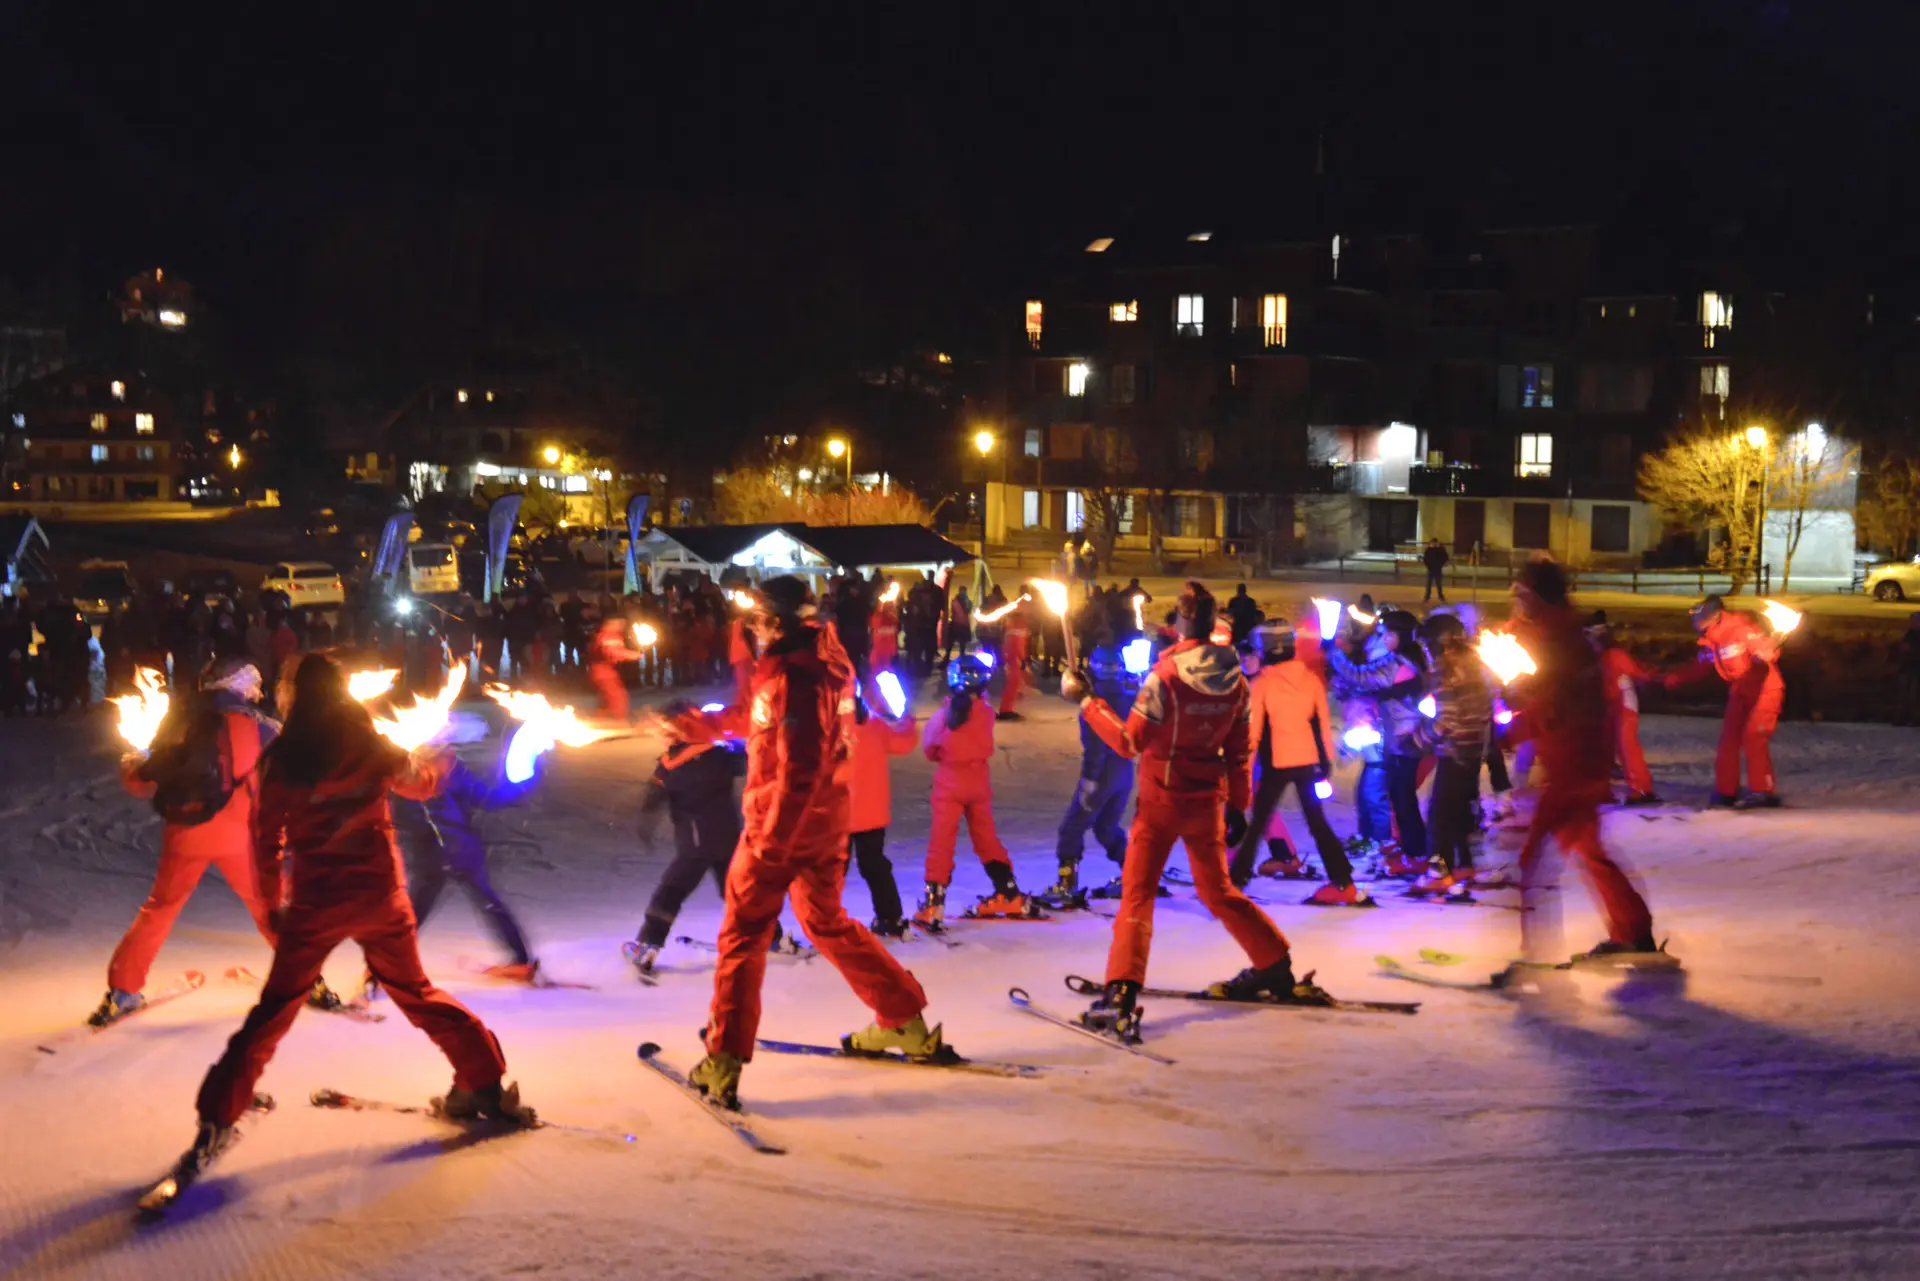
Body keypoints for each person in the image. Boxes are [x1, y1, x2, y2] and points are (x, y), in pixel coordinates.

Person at [181, 654, 528, 1178]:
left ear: (296, 697)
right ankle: (483, 1082)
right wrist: (436, 766)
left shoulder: (283, 759)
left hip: (318, 902)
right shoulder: (367, 743)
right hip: (378, 897)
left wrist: (272, 905)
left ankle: (219, 1114)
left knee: (274, 1010)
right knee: (416, 992)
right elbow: (420, 784)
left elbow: (266, 840)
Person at [688, 578, 943, 1109]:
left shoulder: (795, 676)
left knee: (743, 935)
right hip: (826, 825)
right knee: (824, 922)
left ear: (776, 622)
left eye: (758, 621)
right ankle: (904, 1017)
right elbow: (761, 723)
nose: (754, 631)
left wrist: (771, 845)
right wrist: (697, 725)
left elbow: (799, 769)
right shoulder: (820, 661)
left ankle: (724, 1058)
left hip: (782, 826)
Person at [1073, 582, 1297, 1039]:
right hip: (1205, 800)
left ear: (1181, 623)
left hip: (1161, 800)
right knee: (1217, 891)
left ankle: (1122, 989)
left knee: (1138, 893)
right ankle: (1274, 961)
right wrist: (1238, 805)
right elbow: (1239, 752)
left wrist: (1088, 703)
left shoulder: (1166, 678)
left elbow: (1129, 741)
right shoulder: (1235, 680)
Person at [92, 658, 285, 1026]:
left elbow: (142, 783)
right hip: (238, 835)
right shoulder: (257, 726)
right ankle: (306, 977)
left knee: (160, 909)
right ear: (242, 685)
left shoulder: (178, 721)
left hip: (184, 833)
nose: (258, 690)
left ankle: (122, 992)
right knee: (268, 904)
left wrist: (132, 764)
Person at [1508, 560, 1657, 962]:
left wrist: (1516, 708)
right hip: (1577, 763)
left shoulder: (1560, 641)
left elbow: (1555, 705)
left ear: (1539, 596)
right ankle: (1634, 931)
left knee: (1531, 859)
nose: (1515, 600)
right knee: (1590, 851)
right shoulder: (1558, 635)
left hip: (1573, 766)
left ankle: (1536, 954)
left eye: (1521, 593)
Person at [1231, 618, 1369, 905]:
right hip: (1309, 760)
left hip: (1276, 762)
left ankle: (1235, 882)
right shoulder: (1310, 679)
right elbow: (1321, 723)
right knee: (1317, 822)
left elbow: (1253, 733)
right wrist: (1325, 762)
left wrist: (1243, 765)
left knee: (1258, 824)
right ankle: (1343, 882)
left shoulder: (1262, 684)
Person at [391, 729, 542, 986]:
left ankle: (521, 962)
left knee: (481, 905)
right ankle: (387, 964)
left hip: (457, 854)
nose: (450, 762)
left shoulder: (452, 777)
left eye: (450, 757)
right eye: (445, 757)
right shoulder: (411, 782)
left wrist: (521, 781)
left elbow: (488, 798)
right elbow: (397, 816)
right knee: (421, 910)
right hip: (440, 858)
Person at [625, 699, 748, 975]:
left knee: (672, 891)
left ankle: (648, 945)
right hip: (729, 837)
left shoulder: (671, 763)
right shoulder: (721, 755)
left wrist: (645, 824)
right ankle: (770, 938)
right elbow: (745, 761)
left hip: (696, 843)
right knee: (738, 891)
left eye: (666, 727)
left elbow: (653, 797)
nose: (662, 733)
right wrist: (735, 744)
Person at [915, 653, 1037, 926]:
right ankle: (1008, 890)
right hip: (978, 781)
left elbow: (930, 748)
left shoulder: (945, 715)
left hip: (950, 782)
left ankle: (934, 902)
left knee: (941, 842)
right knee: (986, 837)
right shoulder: (986, 712)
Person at [1048, 623, 1140, 906]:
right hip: (1125, 773)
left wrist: (1089, 780)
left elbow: (1096, 746)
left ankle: (1066, 883)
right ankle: (1134, 874)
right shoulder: (1129, 696)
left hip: (1104, 775)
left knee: (1072, 827)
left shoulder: (1094, 705)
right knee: (1105, 827)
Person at [1667, 595, 1784, 808]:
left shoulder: (1741, 629)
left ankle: (1763, 790)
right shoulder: (1711, 640)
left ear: (1713, 616)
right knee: (1729, 741)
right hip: (1740, 691)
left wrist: (1765, 654)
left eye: (1698, 617)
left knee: (1753, 737)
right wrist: (1673, 678)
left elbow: (1767, 650)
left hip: (1765, 689)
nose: (1696, 623)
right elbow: (1699, 666)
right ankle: (1726, 791)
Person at [1405, 613, 1492, 897]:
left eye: (1427, 645)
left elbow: (1447, 720)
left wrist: (1418, 740)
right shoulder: (1475, 666)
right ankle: (1464, 863)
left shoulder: (1446, 672)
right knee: (1460, 811)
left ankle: (1438, 870)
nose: (1426, 652)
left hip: (1454, 751)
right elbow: (1486, 708)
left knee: (1439, 814)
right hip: (1474, 748)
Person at [847, 673, 921, 937]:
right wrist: (906, 718)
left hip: (836, 814)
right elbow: (904, 742)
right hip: (871, 814)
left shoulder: (825, 730)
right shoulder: (875, 725)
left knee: (830, 874)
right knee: (875, 866)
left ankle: (826, 923)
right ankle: (891, 917)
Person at [1588, 611, 1658, 804]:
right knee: (1603, 747)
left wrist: (1660, 680)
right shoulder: (1598, 656)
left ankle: (1641, 789)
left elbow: (1639, 673)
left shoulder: (1614, 655)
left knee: (1627, 746)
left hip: (1623, 702)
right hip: (1607, 703)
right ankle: (1602, 789)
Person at [587, 616, 641, 723]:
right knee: (618, 697)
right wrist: (631, 655)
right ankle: (619, 721)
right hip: (603, 673)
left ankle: (600, 720)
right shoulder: (607, 636)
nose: (621, 626)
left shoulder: (613, 636)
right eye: (618, 623)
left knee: (607, 700)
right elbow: (611, 652)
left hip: (606, 672)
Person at [996, 592, 1032, 721]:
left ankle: (1007, 708)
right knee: (1013, 683)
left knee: (1015, 683)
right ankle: (1006, 710)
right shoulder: (1017, 623)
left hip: (1013, 657)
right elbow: (1015, 642)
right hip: (1013, 658)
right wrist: (1020, 658)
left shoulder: (1017, 623)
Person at [1893, 612, 1920, 726]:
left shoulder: (1912, 636)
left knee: (1914, 694)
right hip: (1908, 668)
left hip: (1915, 668)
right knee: (1905, 694)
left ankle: (1914, 718)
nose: (1913, 623)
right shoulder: (1909, 635)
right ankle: (1903, 717)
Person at [943, 586, 973, 662]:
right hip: (958, 624)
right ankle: (950, 657)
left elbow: (968, 609)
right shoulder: (956, 601)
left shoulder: (961, 601)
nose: (963, 593)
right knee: (953, 643)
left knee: (961, 644)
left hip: (961, 624)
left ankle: (959, 657)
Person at [1422, 537, 1450, 604]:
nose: (1433, 544)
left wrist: (1440, 564)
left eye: (1434, 543)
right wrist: (1429, 566)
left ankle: (1439, 596)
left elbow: (1445, 557)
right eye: (1432, 543)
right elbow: (1425, 559)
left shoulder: (1440, 549)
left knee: (1438, 584)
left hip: (1437, 569)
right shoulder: (1429, 550)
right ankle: (1428, 596)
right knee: (1429, 584)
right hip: (1432, 569)